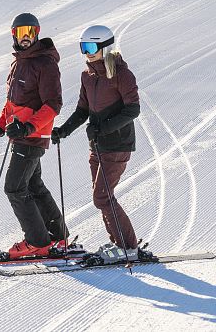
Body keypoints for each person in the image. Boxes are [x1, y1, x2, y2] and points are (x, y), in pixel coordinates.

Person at [51, 24, 143, 263]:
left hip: (117, 145)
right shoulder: (88, 75)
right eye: (83, 47)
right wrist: (64, 130)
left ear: (105, 46)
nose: (87, 52)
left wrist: (103, 128)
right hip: (97, 146)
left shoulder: (121, 74)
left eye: (91, 47)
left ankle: (128, 246)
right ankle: (118, 243)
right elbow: (83, 110)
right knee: (103, 196)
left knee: (102, 197)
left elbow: (133, 109)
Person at [0, 12, 69, 260]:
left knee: (14, 187)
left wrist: (27, 127)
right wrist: (0, 126)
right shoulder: (19, 62)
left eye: (30, 32)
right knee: (33, 185)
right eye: (21, 32)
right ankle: (57, 236)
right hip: (21, 135)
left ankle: (37, 242)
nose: (26, 37)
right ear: (14, 34)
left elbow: (53, 104)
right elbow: (12, 103)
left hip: (32, 137)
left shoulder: (44, 64)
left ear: (37, 33)